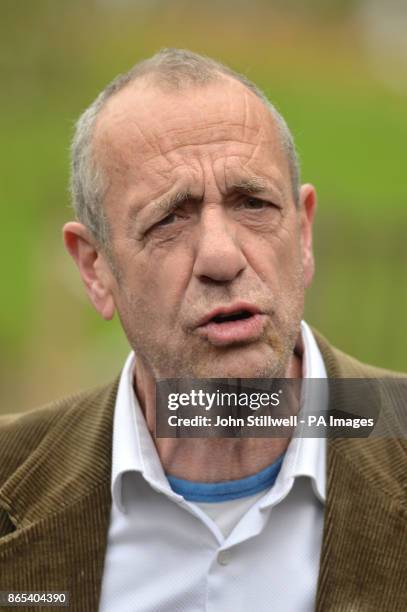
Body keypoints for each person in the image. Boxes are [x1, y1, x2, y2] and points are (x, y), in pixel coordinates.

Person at [0, 49, 406, 612]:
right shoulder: (10, 481)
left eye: (254, 203)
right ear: (95, 268)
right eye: (169, 217)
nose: (221, 257)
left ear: (305, 234)